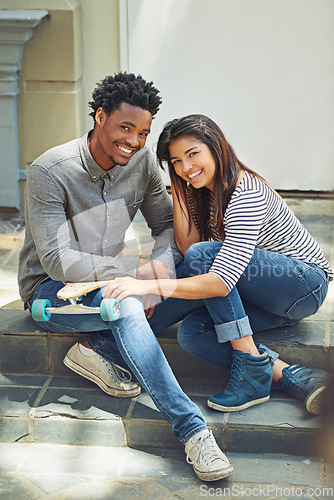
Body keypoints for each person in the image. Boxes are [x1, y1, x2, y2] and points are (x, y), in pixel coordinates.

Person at [18, 77, 234, 482]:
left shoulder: (141, 163)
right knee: (126, 302)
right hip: (52, 293)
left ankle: (98, 349)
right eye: (125, 128)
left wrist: (162, 268)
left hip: (111, 283)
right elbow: (56, 260)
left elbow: (167, 225)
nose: (134, 142)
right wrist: (136, 273)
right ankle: (192, 431)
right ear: (100, 117)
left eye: (143, 133)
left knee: (203, 266)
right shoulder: (49, 171)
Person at [103, 113, 333, 415]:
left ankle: (250, 368)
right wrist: (180, 186)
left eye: (193, 154)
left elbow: (217, 277)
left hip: (300, 285)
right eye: (175, 162)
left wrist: (149, 286)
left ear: (216, 147)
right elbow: (187, 246)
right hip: (256, 291)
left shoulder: (246, 192)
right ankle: (293, 376)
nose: (186, 167)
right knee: (192, 333)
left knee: (202, 258)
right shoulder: (201, 191)